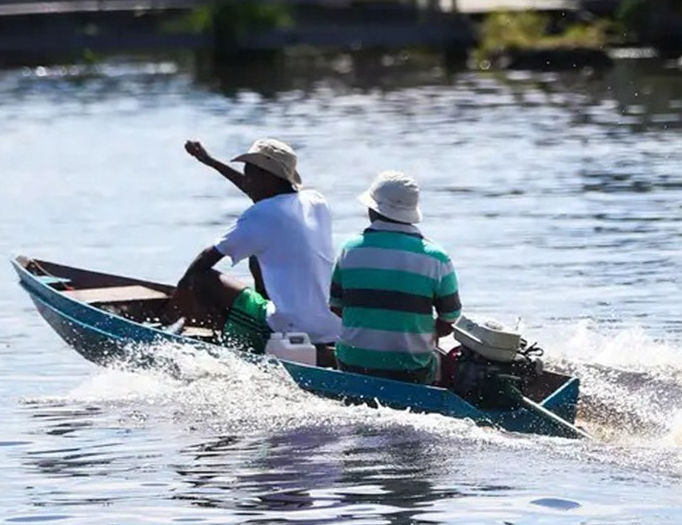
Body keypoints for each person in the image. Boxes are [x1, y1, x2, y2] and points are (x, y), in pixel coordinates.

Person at [166, 138, 344, 352]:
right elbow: (258, 192)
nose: (246, 179)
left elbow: (206, 259)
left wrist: (180, 296)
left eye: (249, 172)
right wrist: (210, 162)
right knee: (256, 253)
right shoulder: (315, 201)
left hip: (289, 325)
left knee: (200, 278)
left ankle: (233, 346)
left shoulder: (261, 214)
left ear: (266, 176)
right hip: (328, 327)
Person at [330, 171, 462, 385]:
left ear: (372, 209)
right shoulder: (436, 258)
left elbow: (336, 307)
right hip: (412, 369)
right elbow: (449, 320)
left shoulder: (349, 249)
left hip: (353, 363)